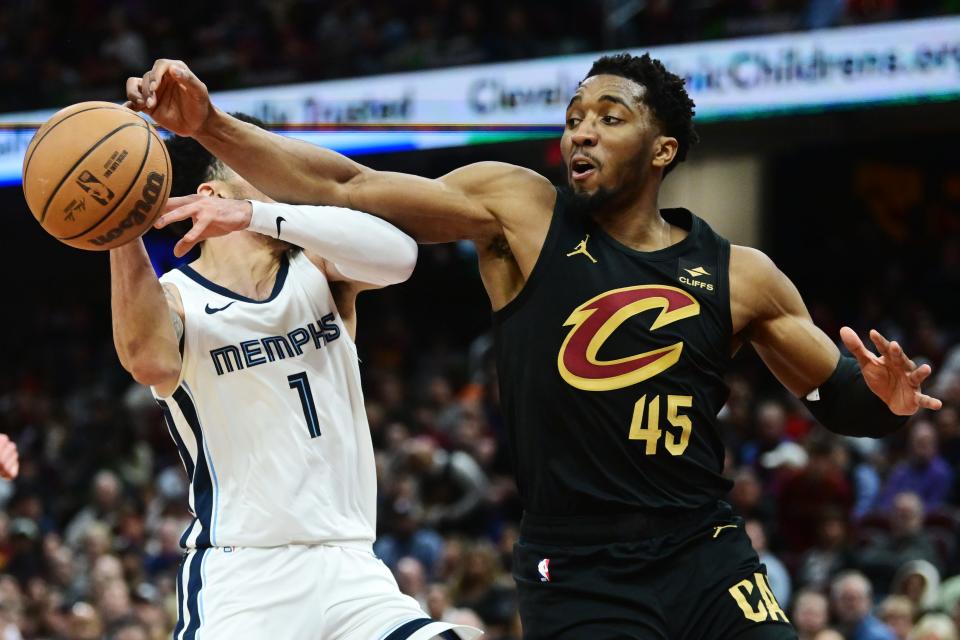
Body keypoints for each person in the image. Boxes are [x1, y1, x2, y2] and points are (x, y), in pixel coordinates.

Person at [128, 54, 941, 639]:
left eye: (610, 119)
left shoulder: (742, 275)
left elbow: (839, 400)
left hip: (705, 550)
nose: (582, 133)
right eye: (575, 117)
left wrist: (885, 403)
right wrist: (212, 127)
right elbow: (348, 188)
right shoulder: (522, 211)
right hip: (578, 569)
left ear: (663, 150)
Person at [108, 115, 479, 640]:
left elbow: (401, 257)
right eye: (261, 170)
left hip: (351, 566)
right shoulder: (177, 300)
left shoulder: (319, 268)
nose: (285, 181)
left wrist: (259, 213)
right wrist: (118, 232)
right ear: (212, 191)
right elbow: (149, 361)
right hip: (247, 576)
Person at [831, 571, 896, 640]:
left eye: (855, 598)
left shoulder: (878, 636)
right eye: (845, 598)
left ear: (868, 600)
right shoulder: (832, 631)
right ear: (835, 601)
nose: (851, 605)